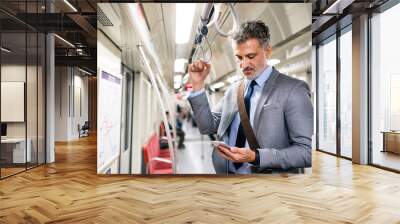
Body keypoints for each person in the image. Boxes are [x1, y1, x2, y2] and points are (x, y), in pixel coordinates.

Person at [187, 20, 313, 174]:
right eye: (239, 58)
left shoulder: (293, 89)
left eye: (250, 56)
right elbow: (207, 126)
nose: (244, 64)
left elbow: (305, 153)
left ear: (267, 51)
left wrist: (256, 157)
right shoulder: (234, 91)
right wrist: (198, 85)